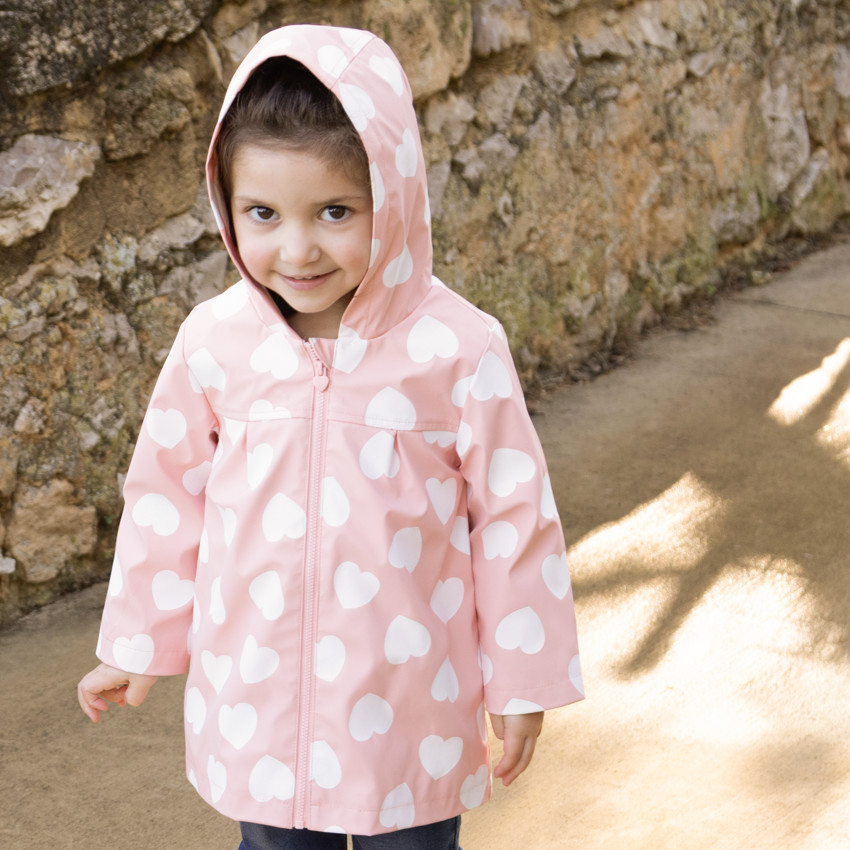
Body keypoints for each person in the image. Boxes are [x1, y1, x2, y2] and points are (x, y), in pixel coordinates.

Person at [77, 24, 583, 850]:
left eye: (336, 211)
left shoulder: (458, 349)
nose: (297, 247)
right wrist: (136, 641)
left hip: (410, 701)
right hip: (259, 700)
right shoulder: (214, 343)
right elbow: (168, 497)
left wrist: (521, 680)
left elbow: (514, 519)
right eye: (263, 213)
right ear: (227, 202)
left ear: (395, 197)